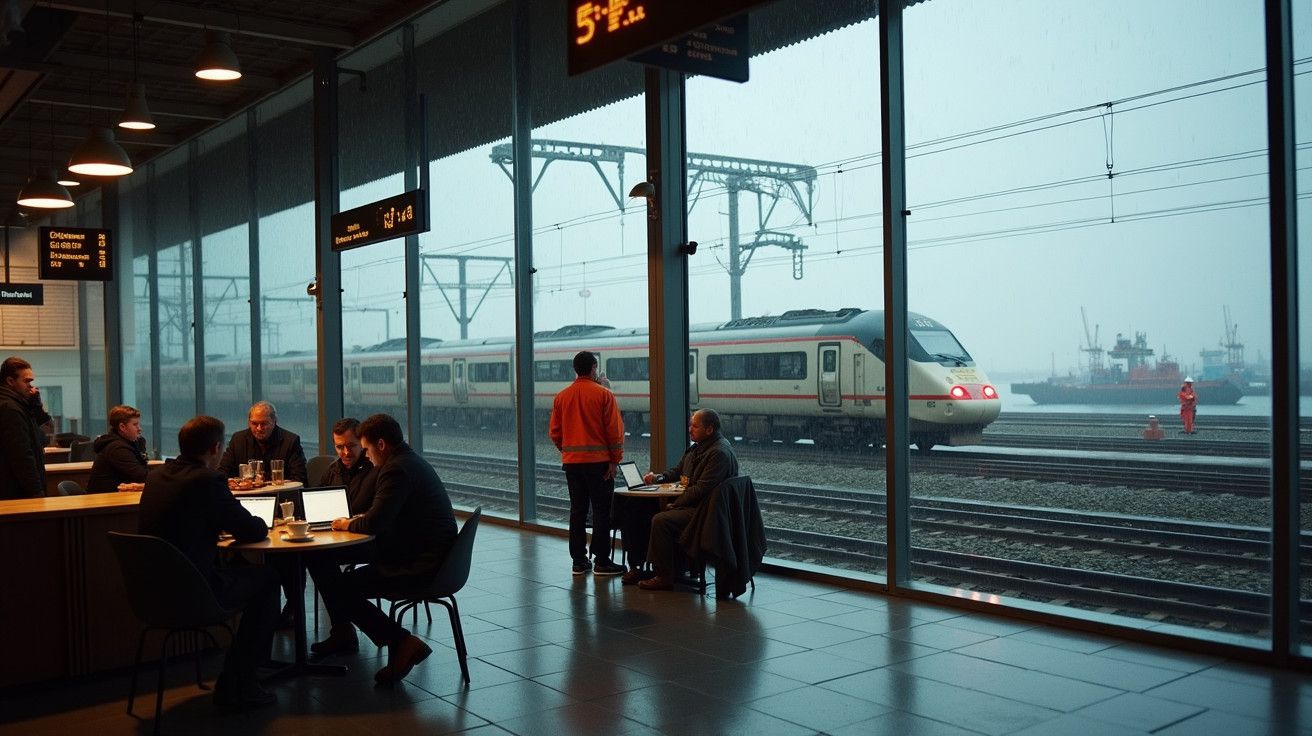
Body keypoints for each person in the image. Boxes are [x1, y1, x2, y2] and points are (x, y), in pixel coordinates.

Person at [137, 415, 279, 709]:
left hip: (153, 592)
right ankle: (240, 683)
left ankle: (241, 678)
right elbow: (250, 529)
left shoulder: (157, 476)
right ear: (215, 448)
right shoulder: (207, 480)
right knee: (267, 578)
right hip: (195, 592)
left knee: (246, 573)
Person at [311, 413, 457, 686]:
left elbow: (375, 522)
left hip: (419, 564)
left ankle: (402, 642)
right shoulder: (407, 461)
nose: (365, 456)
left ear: (380, 445)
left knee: (341, 588)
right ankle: (350, 634)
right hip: (427, 554)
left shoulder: (396, 469)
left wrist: (347, 523)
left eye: (365, 448)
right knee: (324, 563)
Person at [637, 409, 739, 591]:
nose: (690, 429)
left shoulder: (718, 453)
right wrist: (658, 478)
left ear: (709, 429)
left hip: (708, 512)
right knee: (640, 510)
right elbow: (678, 471)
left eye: (695, 426)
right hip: (700, 506)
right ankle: (647, 567)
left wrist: (676, 504)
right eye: (690, 425)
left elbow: (701, 489)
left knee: (660, 520)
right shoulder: (698, 447)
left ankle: (664, 575)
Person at [549, 350, 626, 577]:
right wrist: (614, 460)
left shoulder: (562, 396)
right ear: (593, 368)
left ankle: (579, 562)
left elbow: (554, 432)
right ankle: (602, 561)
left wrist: (567, 450)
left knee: (578, 511)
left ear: (575, 369)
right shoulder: (603, 395)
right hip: (599, 464)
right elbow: (615, 431)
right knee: (602, 512)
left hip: (572, 464)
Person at [219, 401, 308, 483]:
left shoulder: (290, 441)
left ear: (274, 422)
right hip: (247, 495)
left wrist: (265, 485)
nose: (259, 428)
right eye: (254, 424)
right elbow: (223, 473)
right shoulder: (238, 440)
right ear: (249, 422)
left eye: (264, 424)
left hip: (279, 495)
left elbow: (300, 479)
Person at [0, 356, 46, 499]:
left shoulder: (20, 404)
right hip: (16, 491)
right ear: (10, 381)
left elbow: (42, 435)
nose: (31, 387)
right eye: (27, 381)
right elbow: (22, 455)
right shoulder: (10, 408)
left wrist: (36, 406)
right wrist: (37, 492)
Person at [86, 405, 150, 493]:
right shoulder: (117, 449)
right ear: (122, 427)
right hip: (103, 501)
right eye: (135, 424)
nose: (139, 429)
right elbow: (142, 476)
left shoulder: (128, 443)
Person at [321, 417, 376, 512]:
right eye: (339, 447)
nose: (346, 452)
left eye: (351, 446)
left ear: (362, 442)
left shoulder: (375, 470)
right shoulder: (332, 471)